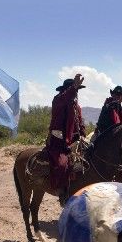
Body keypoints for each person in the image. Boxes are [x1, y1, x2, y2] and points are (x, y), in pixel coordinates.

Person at [47, 74, 87, 205]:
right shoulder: (58, 99)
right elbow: (65, 97)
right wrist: (73, 87)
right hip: (59, 140)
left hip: (74, 139)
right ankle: (63, 192)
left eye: (77, 90)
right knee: (62, 164)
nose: (76, 93)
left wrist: (82, 133)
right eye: (74, 90)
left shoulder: (76, 106)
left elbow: (80, 122)